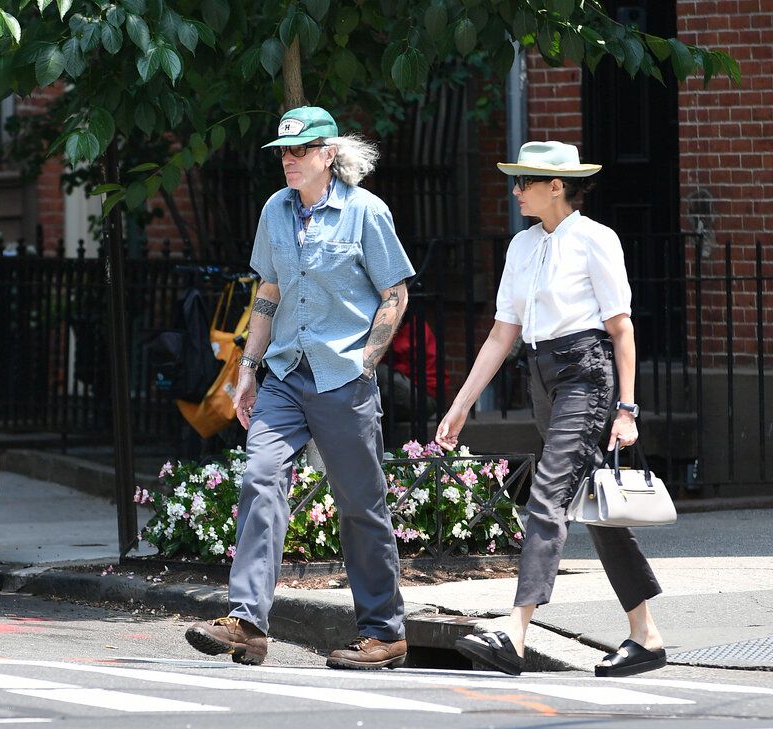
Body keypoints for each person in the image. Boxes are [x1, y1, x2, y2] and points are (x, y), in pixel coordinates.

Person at [184, 107, 415, 670]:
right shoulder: (275, 211)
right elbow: (269, 289)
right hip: (285, 375)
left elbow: (395, 293)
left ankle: (384, 632)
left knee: (359, 505)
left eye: (301, 150)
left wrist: (365, 361)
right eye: (284, 152)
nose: (289, 161)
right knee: (259, 478)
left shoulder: (366, 212)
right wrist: (247, 369)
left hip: (342, 376)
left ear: (328, 154)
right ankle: (247, 623)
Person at [435, 141, 666, 678]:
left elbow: (621, 329)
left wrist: (626, 409)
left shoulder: (595, 240)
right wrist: (461, 403)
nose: (515, 190)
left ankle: (516, 630)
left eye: (525, 182)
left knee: (548, 495)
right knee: (594, 508)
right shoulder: (521, 246)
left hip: (587, 374)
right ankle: (647, 635)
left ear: (556, 186)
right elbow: (501, 333)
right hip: (542, 378)